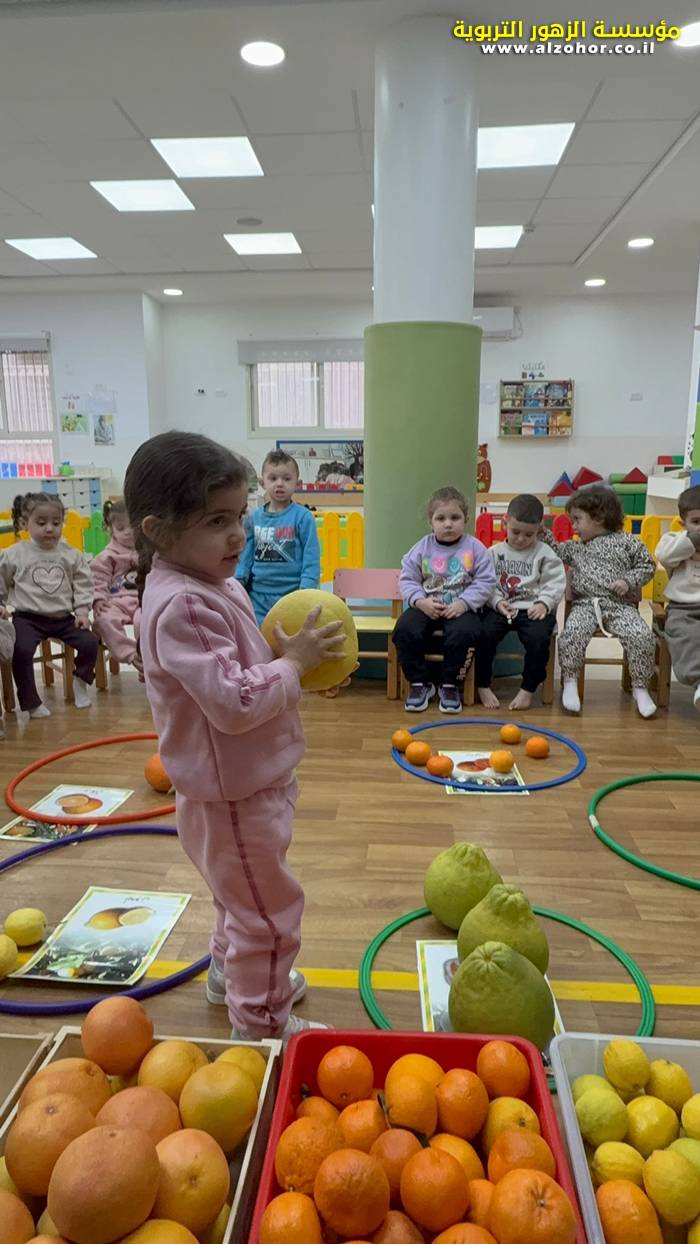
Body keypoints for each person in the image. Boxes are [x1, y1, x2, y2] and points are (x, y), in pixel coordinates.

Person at [124, 431, 346, 1040]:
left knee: (241, 896)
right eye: (216, 521)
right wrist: (292, 667)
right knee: (269, 915)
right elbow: (235, 700)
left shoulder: (214, 584)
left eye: (240, 516)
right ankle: (261, 1024)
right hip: (233, 795)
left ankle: (231, 977)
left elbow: (240, 666)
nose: (238, 534)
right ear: (158, 531)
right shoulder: (185, 604)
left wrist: (297, 664)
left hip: (240, 784)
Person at [540, 484, 657, 717]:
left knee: (642, 636)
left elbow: (648, 565)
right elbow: (555, 550)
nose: (573, 526)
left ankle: (640, 688)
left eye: (577, 519)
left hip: (620, 606)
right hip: (586, 605)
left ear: (599, 518)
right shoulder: (576, 548)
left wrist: (628, 580)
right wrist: (542, 531)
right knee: (572, 633)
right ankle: (570, 682)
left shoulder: (628, 542)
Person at [393, 485, 496, 713]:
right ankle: (420, 683)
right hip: (426, 606)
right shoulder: (422, 547)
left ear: (466, 520)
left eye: (454, 518)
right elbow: (407, 578)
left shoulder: (475, 548)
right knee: (404, 629)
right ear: (431, 522)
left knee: (466, 633)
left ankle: (449, 685)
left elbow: (486, 581)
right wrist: (420, 601)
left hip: (461, 609)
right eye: (441, 518)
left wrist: (463, 603)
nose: (448, 524)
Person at [0, 492, 98, 716]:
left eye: (56, 523)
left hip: (63, 618)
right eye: (41, 523)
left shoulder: (71, 555)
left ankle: (81, 680)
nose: (49, 529)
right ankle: (31, 702)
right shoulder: (14, 554)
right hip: (27, 618)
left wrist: (82, 612)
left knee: (90, 642)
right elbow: (1, 581)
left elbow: (83, 584)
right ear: (24, 523)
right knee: (21, 650)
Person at [476, 494, 566, 710]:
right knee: (483, 634)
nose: (520, 539)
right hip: (500, 608)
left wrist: (544, 603)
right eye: (515, 531)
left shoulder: (545, 553)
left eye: (528, 534)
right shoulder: (493, 553)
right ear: (505, 522)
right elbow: (485, 583)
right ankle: (482, 684)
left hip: (533, 609)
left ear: (539, 529)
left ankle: (528, 689)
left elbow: (555, 582)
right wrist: (497, 602)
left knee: (539, 640)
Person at [236, 450, 321, 624]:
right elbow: (245, 556)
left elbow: (311, 557)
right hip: (258, 597)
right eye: (273, 478)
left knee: (289, 635)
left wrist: (306, 591)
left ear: (297, 483)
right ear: (262, 483)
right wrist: (238, 583)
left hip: (293, 595)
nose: (280, 484)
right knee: (258, 636)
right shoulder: (254, 518)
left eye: (287, 479)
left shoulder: (303, 517)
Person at [655, 483, 700, 710]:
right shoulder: (674, 540)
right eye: (696, 522)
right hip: (683, 609)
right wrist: (691, 541)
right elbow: (664, 556)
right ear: (683, 523)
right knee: (686, 636)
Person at [91, 499, 142, 671]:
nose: (128, 532)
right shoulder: (107, 555)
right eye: (120, 528)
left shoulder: (150, 551)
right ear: (111, 530)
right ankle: (130, 654)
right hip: (117, 602)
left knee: (149, 621)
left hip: (145, 601)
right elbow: (97, 579)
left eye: (133, 526)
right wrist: (98, 599)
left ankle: (147, 657)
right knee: (104, 619)